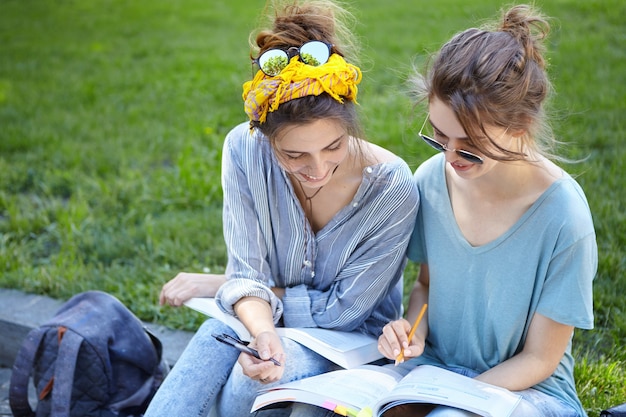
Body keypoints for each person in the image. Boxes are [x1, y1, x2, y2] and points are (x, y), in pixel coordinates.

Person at [143, 0, 419, 416]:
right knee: (215, 337)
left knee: (244, 380)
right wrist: (261, 326)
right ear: (266, 138)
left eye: (333, 147)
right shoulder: (244, 149)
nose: (318, 169)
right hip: (271, 320)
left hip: (354, 343)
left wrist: (239, 294)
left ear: (350, 125)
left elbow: (342, 312)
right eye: (294, 156)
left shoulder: (392, 187)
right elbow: (248, 275)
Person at [376, 4, 597, 417]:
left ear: (520, 125)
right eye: (440, 136)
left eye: (470, 146)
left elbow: (540, 360)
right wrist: (413, 331)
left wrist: (454, 394)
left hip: (527, 389)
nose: (451, 157)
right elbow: (425, 286)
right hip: (438, 370)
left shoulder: (563, 216)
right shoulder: (431, 180)